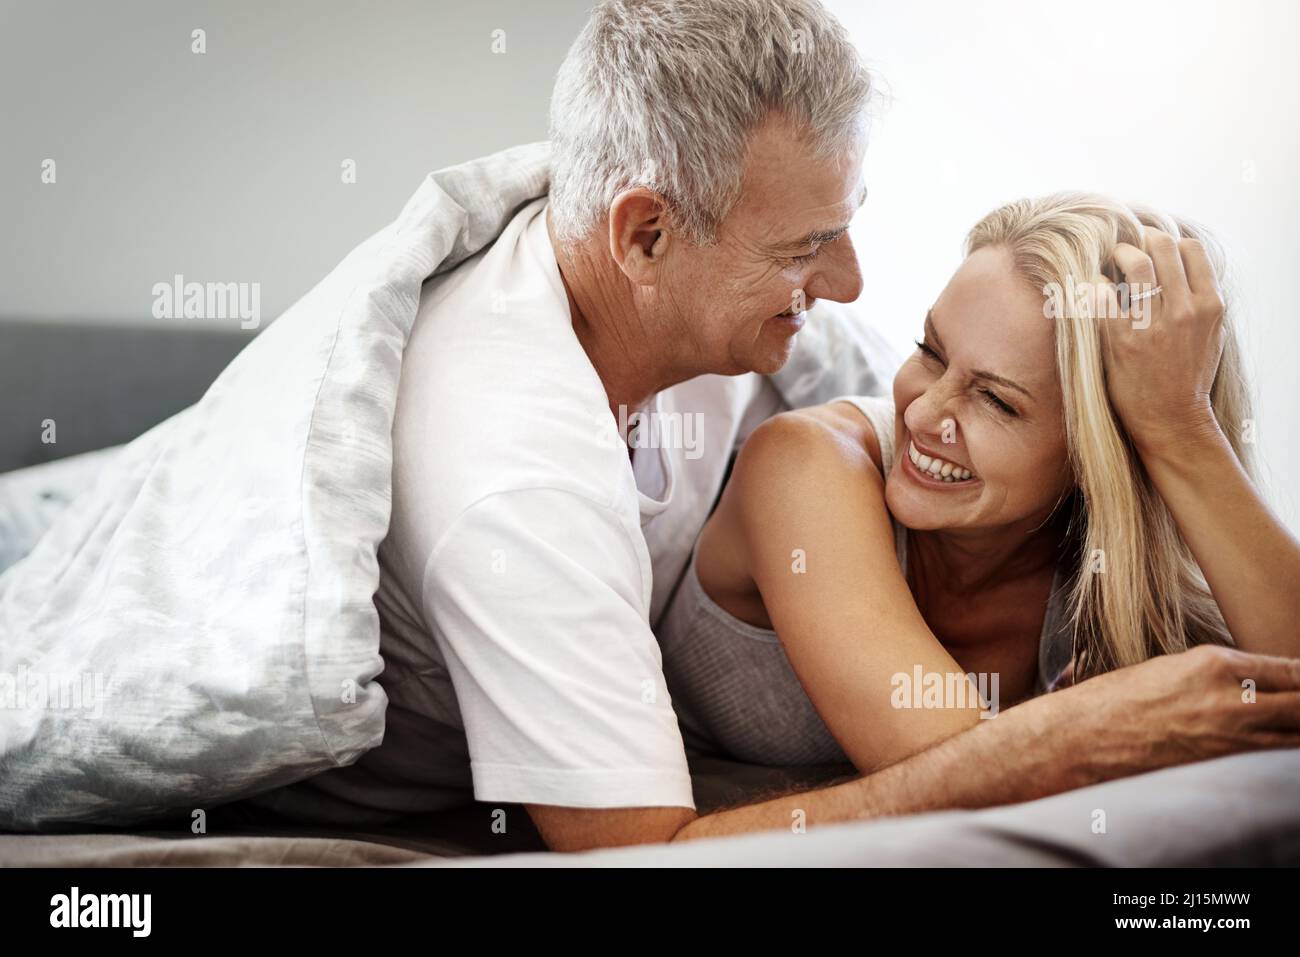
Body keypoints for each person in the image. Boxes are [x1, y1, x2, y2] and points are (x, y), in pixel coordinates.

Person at [246, 0, 1300, 852]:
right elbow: (635, 849)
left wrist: (1175, 426)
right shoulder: (515, 478)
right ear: (646, 234)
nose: (846, 284)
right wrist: (1088, 735)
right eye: (809, 245)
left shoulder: (756, 329)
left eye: (993, 395)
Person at [658, 192, 1300, 777]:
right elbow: (955, 776)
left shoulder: (1112, 574)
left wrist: (1180, 431)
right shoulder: (805, 462)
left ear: (1101, 453)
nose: (922, 413)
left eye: (995, 400)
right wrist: (1090, 722)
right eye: (930, 350)